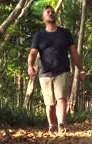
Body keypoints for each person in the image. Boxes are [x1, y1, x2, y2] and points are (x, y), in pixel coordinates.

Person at [27, 5, 86, 135]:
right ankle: (52, 125)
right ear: (43, 17)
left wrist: (81, 70)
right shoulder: (39, 35)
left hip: (62, 71)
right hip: (45, 74)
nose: (51, 13)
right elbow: (32, 53)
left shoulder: (65, 33)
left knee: (61, 98)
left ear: (55, 16)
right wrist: (30, 66)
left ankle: (62, 124)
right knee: (50, 104)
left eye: (52, 12)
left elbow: (74, 52)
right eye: (48, 12)